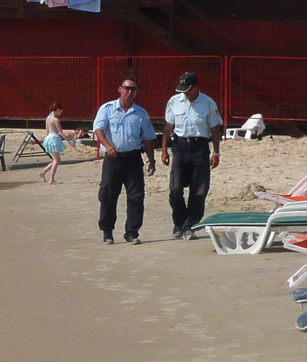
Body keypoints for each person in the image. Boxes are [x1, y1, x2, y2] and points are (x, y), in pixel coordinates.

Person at [92, 79, 157, 244]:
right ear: (119, 89)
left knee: (136, 196)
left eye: (133, 89)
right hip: (113, 158)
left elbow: (148, 138)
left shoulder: (141, 113)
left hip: (133, 158)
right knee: (108, 195)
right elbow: (98, 129)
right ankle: (107, 231)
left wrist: (151, 160)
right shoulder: (107, 109)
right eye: (127, 88)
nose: (130, 91)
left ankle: (132, 232)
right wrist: (107, 146)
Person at [162, 70, 223, 239]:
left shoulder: (208, 103)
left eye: (188, 89)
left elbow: (215, 129)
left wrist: (216, 152)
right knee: (175, 188)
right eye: (183, 89)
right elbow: (168, 127)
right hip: (180, 146)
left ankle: (191, 224)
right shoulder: (174, 102)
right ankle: (178, 222)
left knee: (199, 189)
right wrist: (164, 150)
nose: (185, 93)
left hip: (200, 146)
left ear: (196, 87)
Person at [37, 102, 81, 184]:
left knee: (57, 160)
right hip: (54, 138)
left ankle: (43, 172)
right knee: (56, 160)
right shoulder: (55, 120)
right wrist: (69, 141)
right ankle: (51, 179)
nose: (61, 113)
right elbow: (61, 132)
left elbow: (47, 131)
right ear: (57, 110)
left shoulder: (48, 118)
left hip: (49, 138)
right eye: (61, 111)